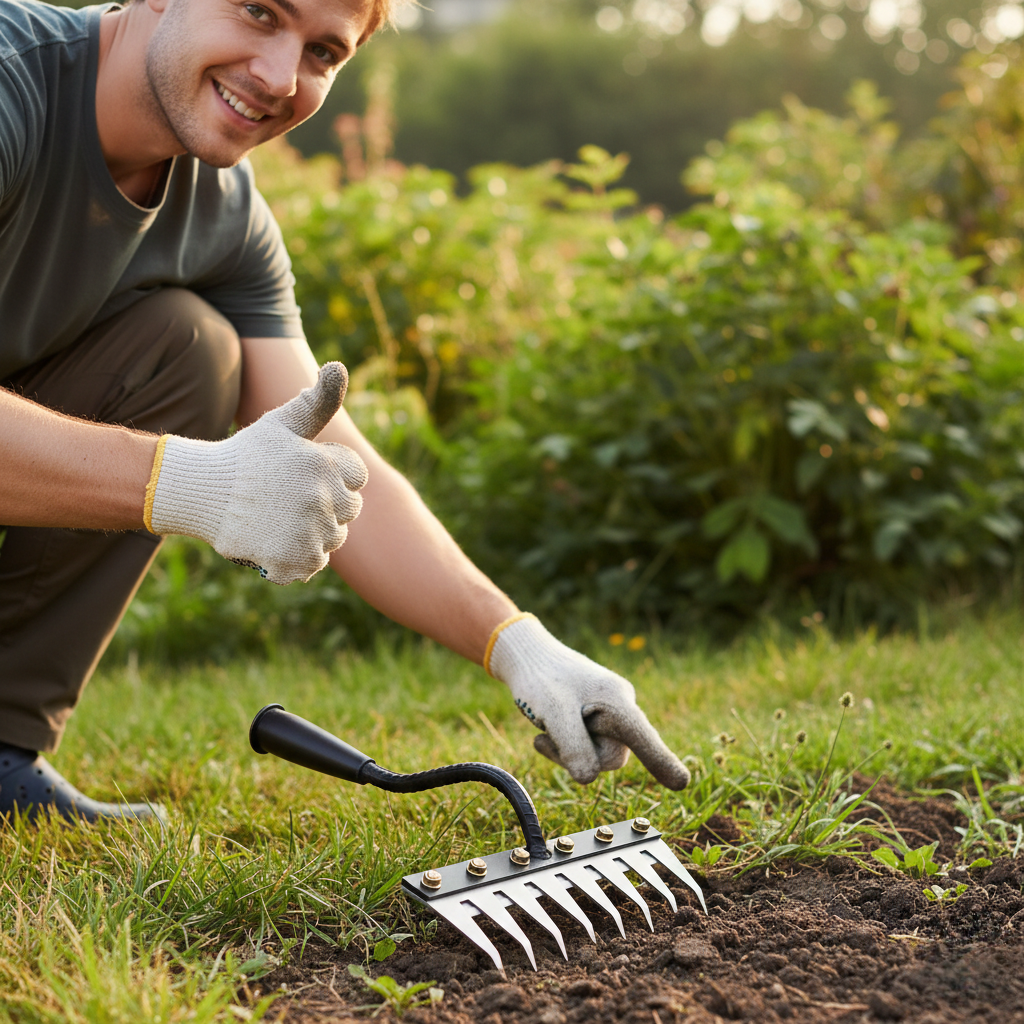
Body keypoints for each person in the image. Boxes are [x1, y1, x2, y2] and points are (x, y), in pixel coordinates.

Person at [0, 0, 690, 823]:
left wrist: (517, 645)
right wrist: (193, 482)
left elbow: (335, 457)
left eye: (323, 52)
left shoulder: (224, 216)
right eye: (259, 11)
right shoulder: (15, 85)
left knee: (189, 348)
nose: (279, 77)